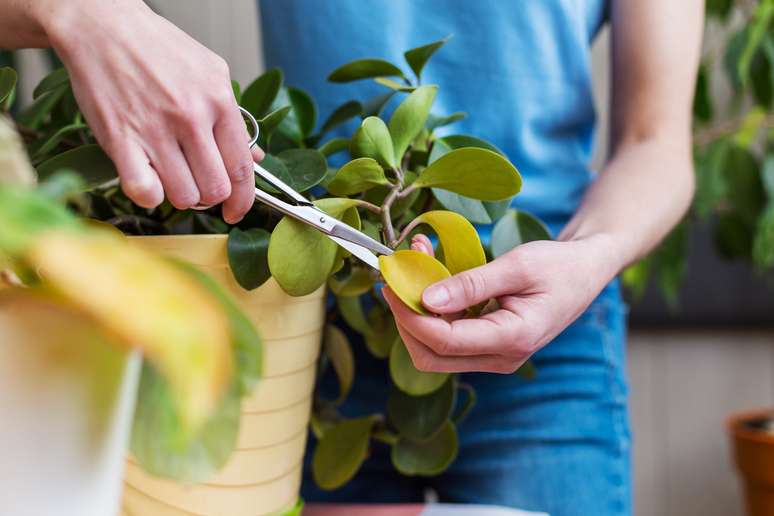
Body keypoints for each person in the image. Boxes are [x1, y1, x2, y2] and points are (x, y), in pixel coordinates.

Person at [1, 1, 703, 514]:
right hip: (310, 344)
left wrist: (590, 255)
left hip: (546, 341)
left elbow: (657, 143)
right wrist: (86, 15)